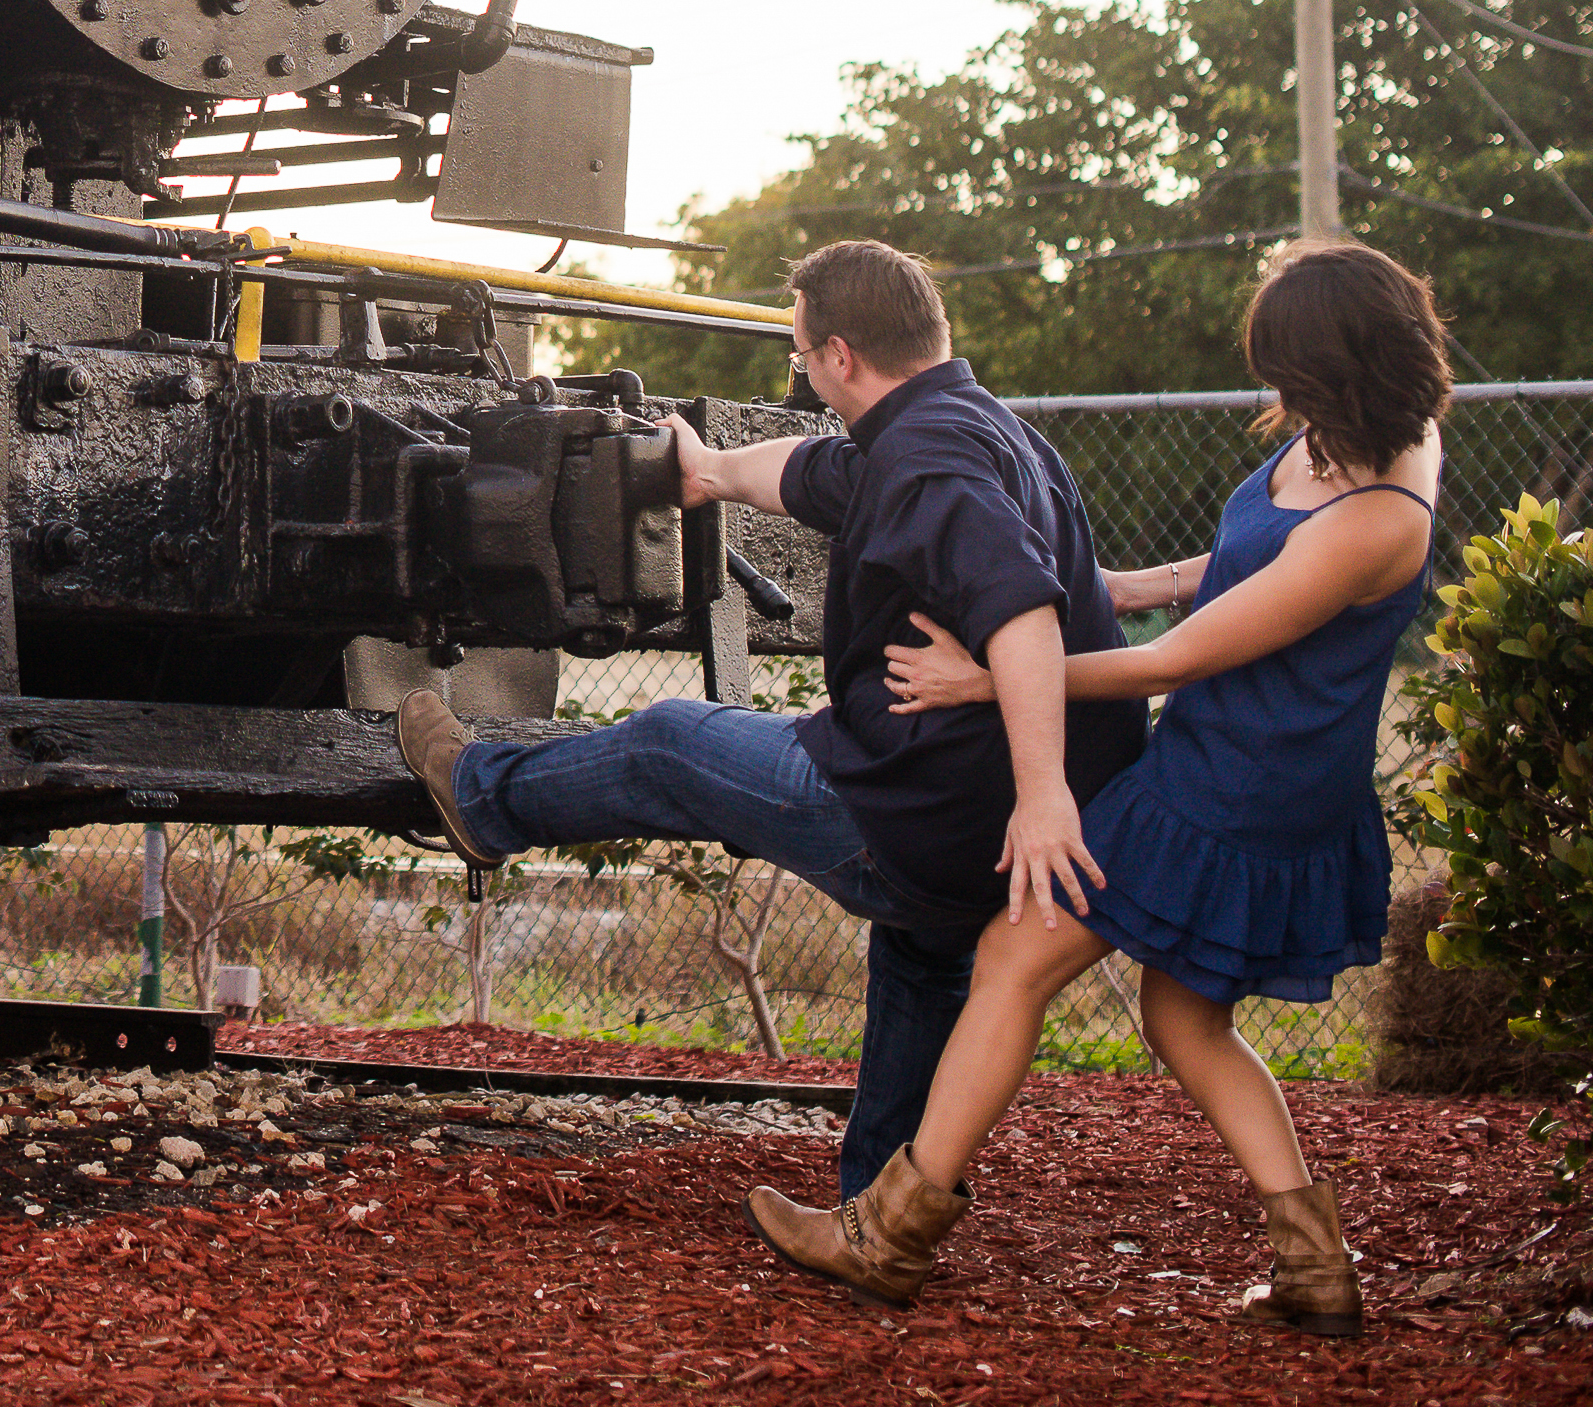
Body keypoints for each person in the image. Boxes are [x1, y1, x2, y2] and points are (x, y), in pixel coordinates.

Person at [741, 236, 1449, 1336]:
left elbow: (1178, 659)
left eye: (1288, 373)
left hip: (1229, 791)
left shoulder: (1378, 520)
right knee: (1182, 1017)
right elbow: (1248, 570)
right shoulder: (1364, 438)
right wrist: (1128, 581)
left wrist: (989, 678)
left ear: (1338, 367)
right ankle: (1315, 1264)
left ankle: (885, 1235)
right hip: (1252, 771)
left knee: (1013, 956)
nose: (1274, 392)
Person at [391, 239, 1146, 1204]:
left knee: (669, 742)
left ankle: (484, 801)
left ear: (840, 356)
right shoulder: (975, 428)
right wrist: (707, 471)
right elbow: (814, 471)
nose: (805, 376)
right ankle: (883, 1208)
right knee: (921, 957)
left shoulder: (929, 463)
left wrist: (1043, 800)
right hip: (983, 822)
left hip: (930, 808)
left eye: (801, 358)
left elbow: (1026, 618)